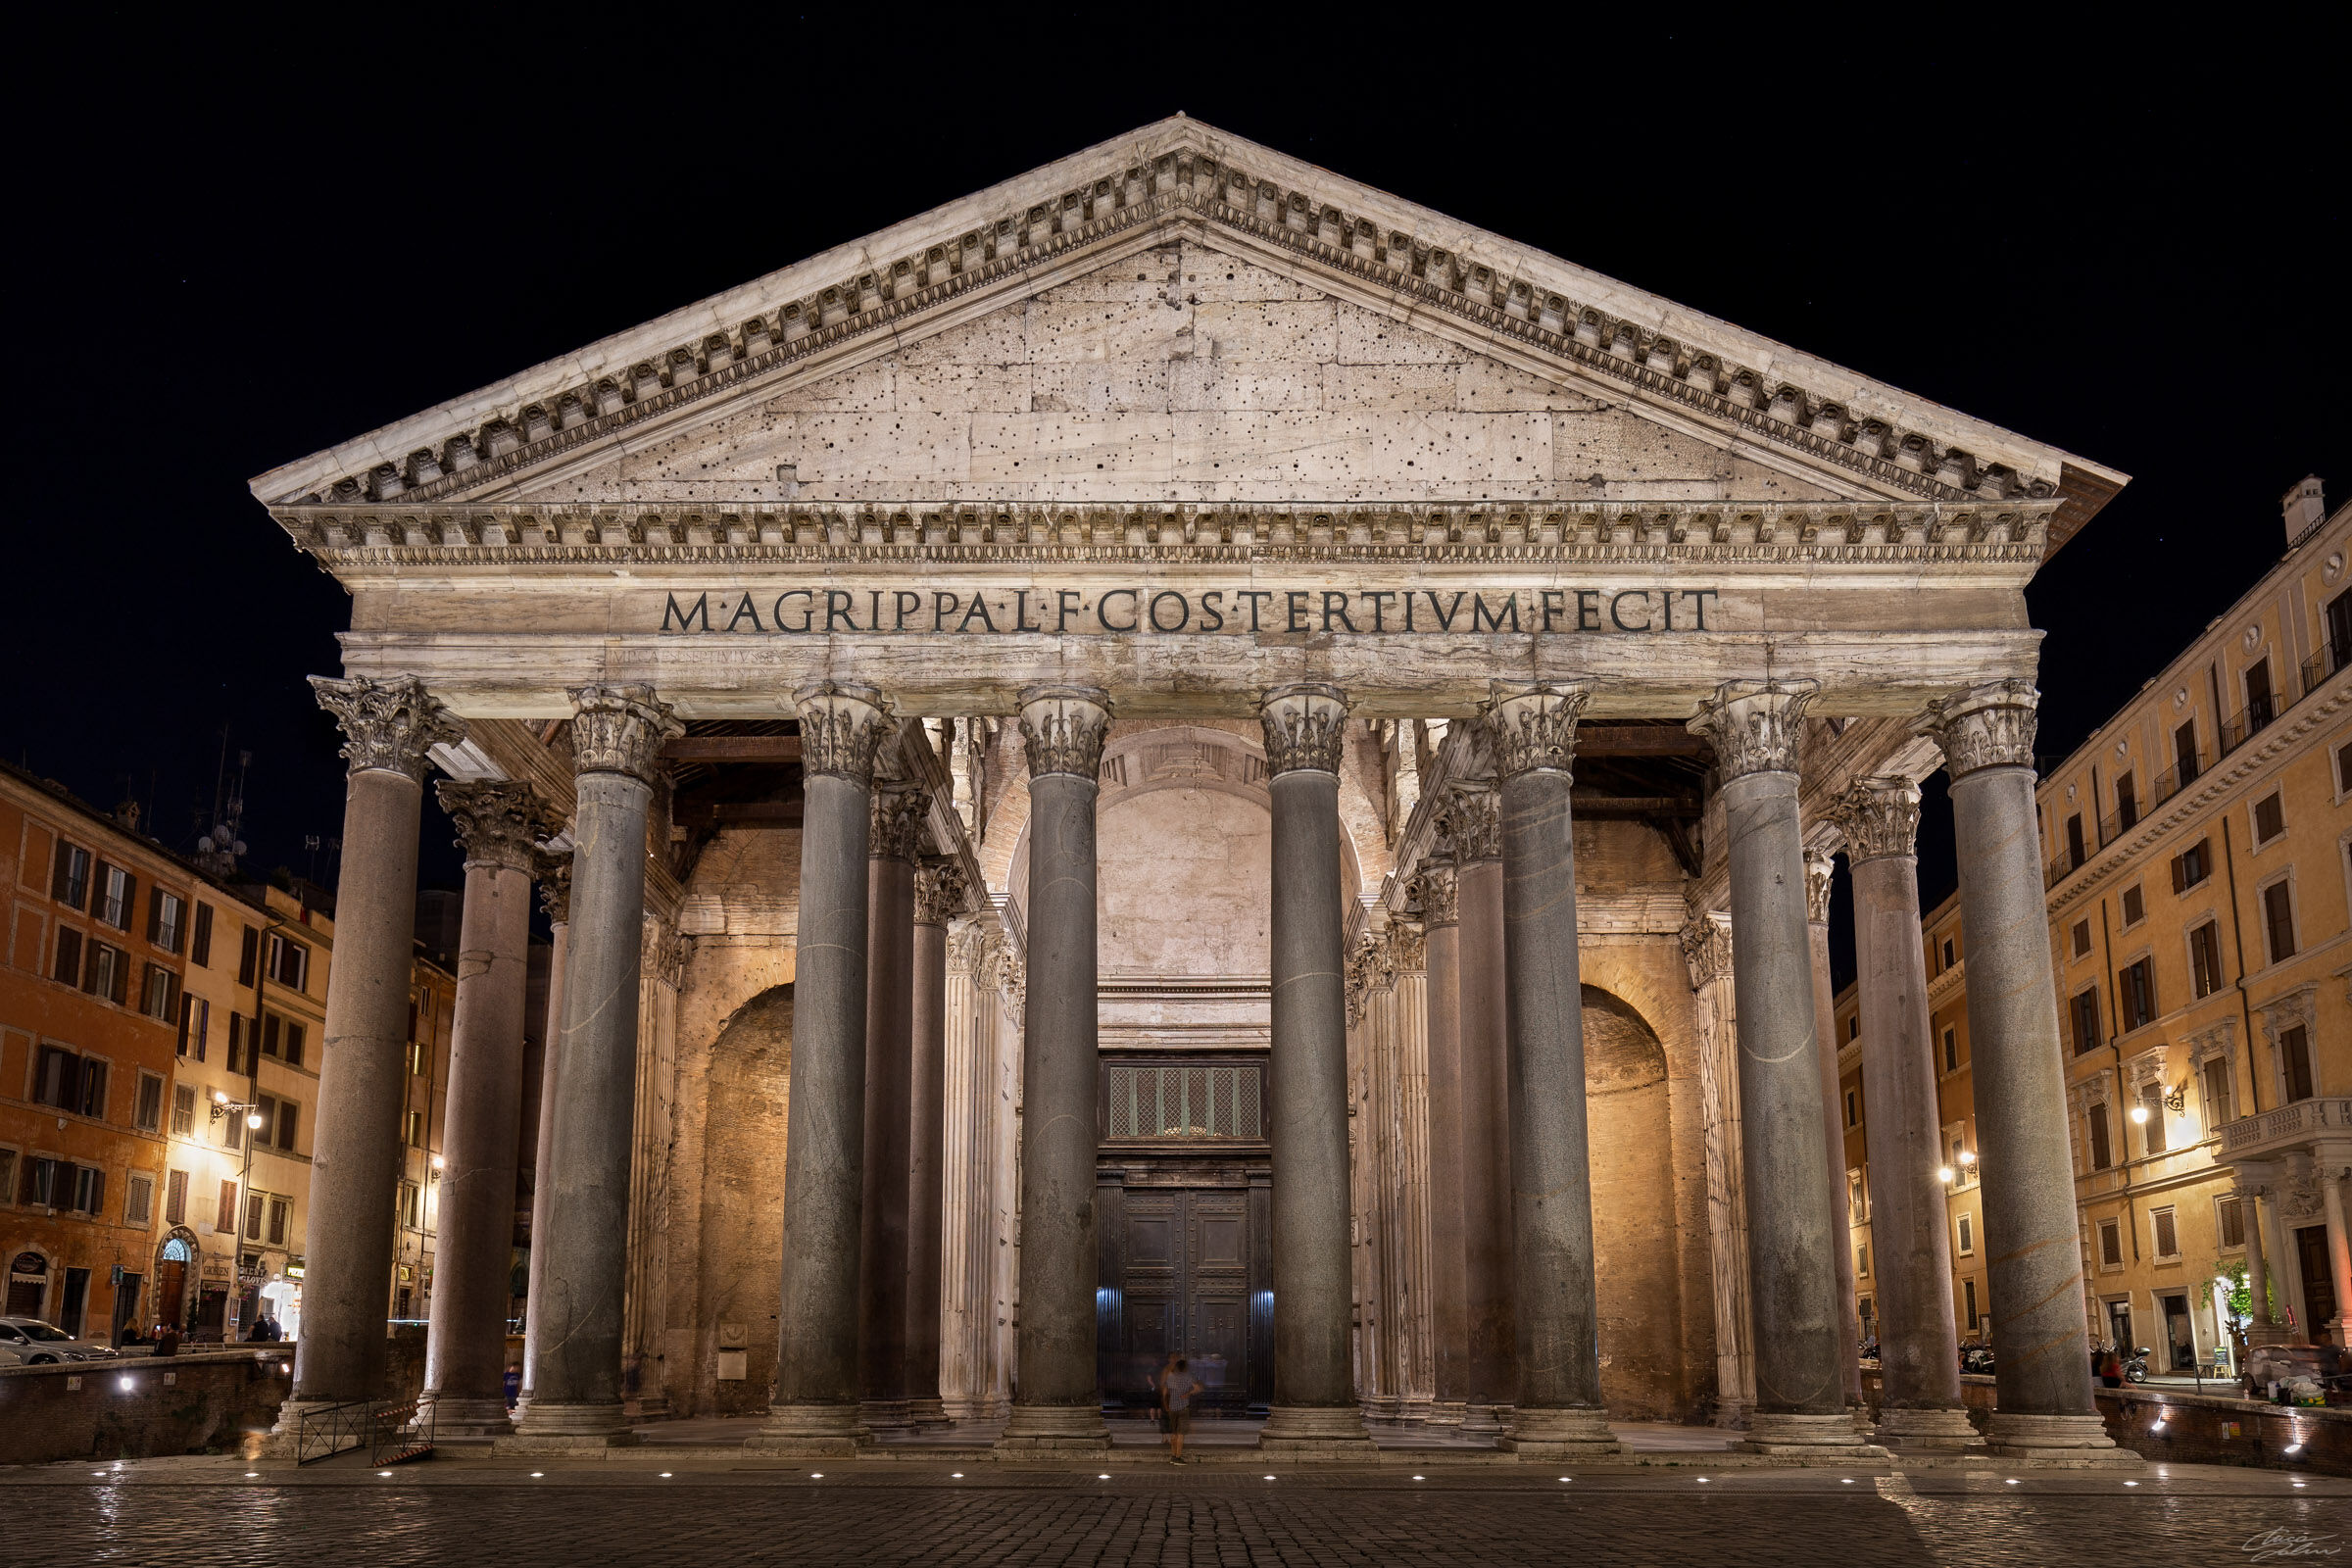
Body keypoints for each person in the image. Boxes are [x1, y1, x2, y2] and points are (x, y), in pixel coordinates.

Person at [1155, 1353, 1196, 1463]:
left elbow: (1164, 1392)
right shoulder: (1188, 1377)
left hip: (1172, 1408)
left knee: (1173, 1433)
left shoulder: (1170, 1377)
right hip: (1183, 1408)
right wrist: (1188, 1393)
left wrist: (1166, 1405)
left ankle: (1173, 1456)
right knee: (1180, 1434)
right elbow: (1196, 1388)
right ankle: (1178, 1457)